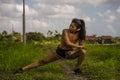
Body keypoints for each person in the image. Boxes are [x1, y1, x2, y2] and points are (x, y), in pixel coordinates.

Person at [15, 18, 86, 74]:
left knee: (83, 52)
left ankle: (77, 68)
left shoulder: (80, 34)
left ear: (77, 28)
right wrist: (79, 47)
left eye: (72, 27)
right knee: (42, 61)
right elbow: (68, 43)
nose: (70, 27)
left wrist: (73, 52)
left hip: (69, 53)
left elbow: (82, 47)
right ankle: (22, 69)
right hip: (59, 52)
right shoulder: (65, 31)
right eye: (70, 25)